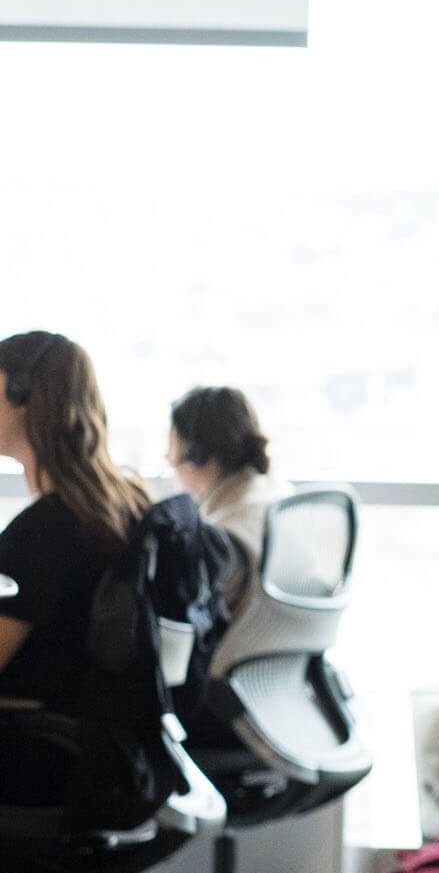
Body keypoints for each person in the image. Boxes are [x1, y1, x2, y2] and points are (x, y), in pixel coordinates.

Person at [0, 331, 152, 801]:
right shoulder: (126, 502)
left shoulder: (44, 530)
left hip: (41, 752)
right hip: (107, 751)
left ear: (23, 396)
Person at [167, 386, 293, 614]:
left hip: (245, 636)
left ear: (195, 455)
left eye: (172, 453)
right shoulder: (278, 494)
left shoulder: (226, 536)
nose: (169, 461)